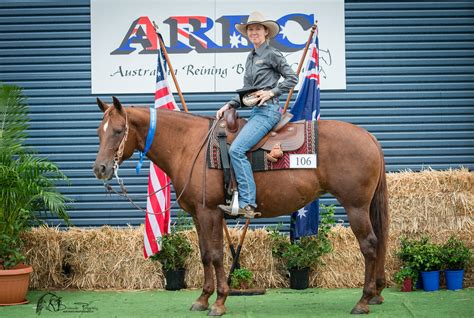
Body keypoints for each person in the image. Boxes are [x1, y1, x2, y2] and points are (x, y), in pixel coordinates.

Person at [216, 11, 298, 218]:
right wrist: (230, 104)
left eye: (257, 29)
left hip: (268, 111)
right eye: (250, 29)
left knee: (236, 150)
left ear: (266, 32)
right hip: (255, 111)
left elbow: (292, 78)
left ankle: (248, 204)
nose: (254, 32)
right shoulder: (250, 57)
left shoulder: (272, 54)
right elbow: (247, 91)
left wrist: (271, 92)